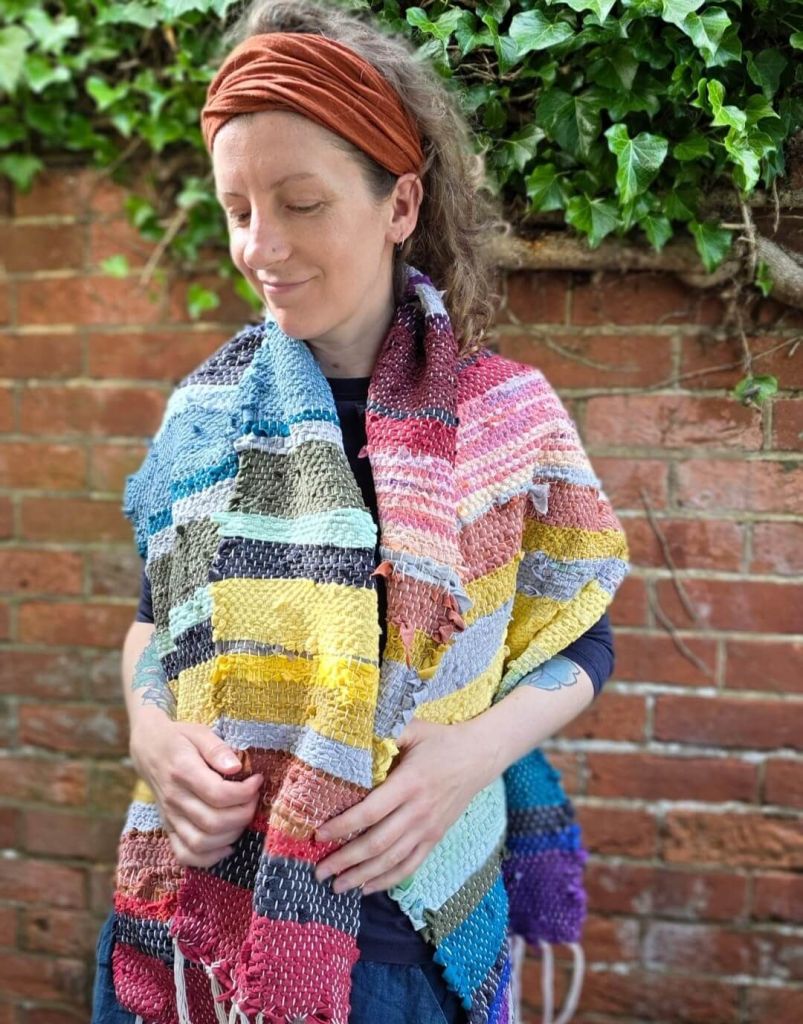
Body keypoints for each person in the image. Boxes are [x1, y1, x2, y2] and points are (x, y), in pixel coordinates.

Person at [91, 2, 629, 1023]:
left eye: (301, 203)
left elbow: (581, 636)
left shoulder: (506, 418)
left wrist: (473, 755)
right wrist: (148, 732)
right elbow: (151, 626)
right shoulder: (202, 420)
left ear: (398, 205)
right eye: (237, 209)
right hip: (190, 933)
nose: (261, 246)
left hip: (400, 945)